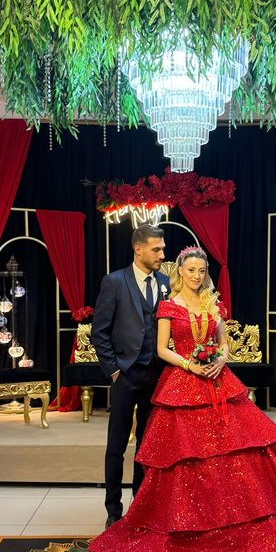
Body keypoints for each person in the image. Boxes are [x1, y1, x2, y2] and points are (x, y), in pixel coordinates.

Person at [90, 245, 276, 552]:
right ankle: (185, 521)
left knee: (232, 454)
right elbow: (162, 349)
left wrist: (221, 359)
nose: (196, 276)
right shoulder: (168, 305)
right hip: (183, 383)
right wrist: (190, 365)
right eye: (191, 270)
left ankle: (235, 518)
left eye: (201, 271)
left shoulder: (213, 303)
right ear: (180, 271)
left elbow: (223, 344)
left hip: (218, 380)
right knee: (187, 456)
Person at [91, 225, 170, 529]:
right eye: (156, 249)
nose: (162, 255)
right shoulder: (114, 282)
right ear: (138, 249)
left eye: (162, 249)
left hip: (156, 376)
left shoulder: (165, 283)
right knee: (117, 445)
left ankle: (140, 506)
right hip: (125, 375)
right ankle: (113, 510)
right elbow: (99, 332)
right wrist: (114, 370)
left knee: (147, 446)